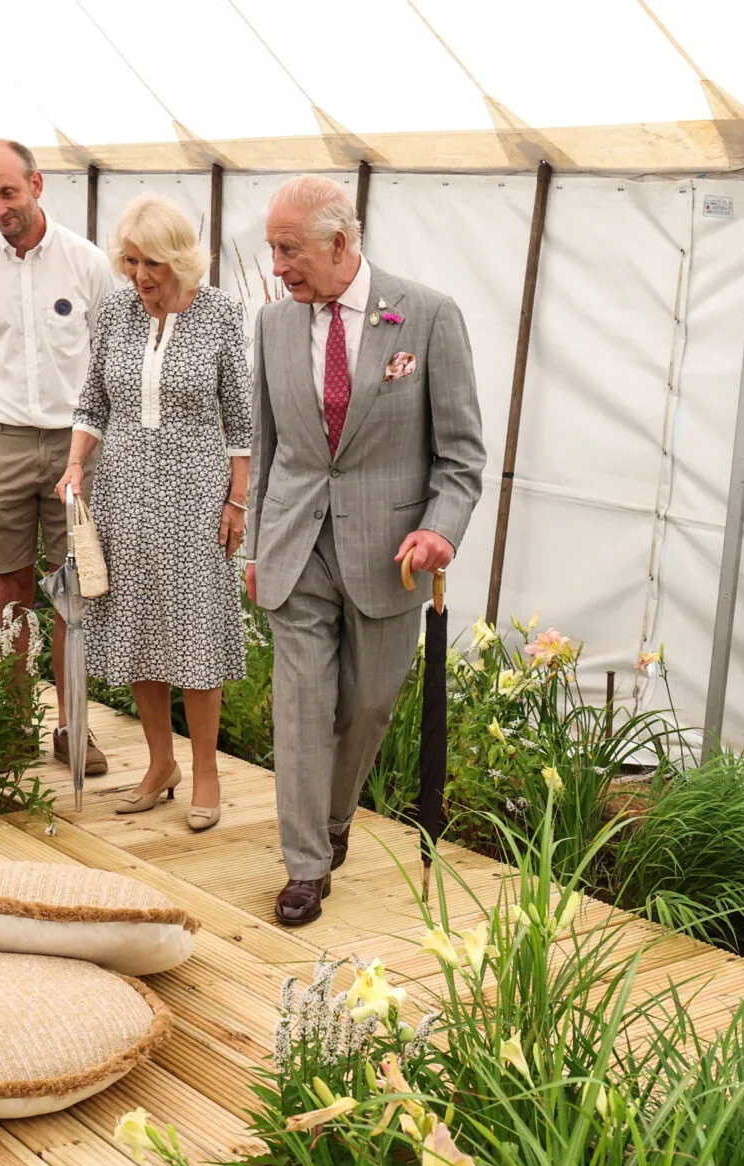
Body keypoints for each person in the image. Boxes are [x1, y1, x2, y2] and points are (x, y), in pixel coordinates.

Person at [245, 176, 485, 927]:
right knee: (302, 702)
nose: (278, 266)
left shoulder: (429, 317)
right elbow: (269, 443)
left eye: (289, 250)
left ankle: (335, 815)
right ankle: (306, 864)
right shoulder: (273, 326)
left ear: (340, 244)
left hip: (390, 555)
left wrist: (441, 528)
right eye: (272, 249)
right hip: (296, 542)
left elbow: (461, 454)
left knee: (371, 703)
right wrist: (255, 545)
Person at [58, 195, 253, 833]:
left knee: (193, 629)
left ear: (181, 260)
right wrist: (77, 465)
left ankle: (205, 774)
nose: (140, 276)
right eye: (132, 261)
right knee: (139, 627)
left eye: (153, 264)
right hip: (124, 490)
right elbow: (93, 401)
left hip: (197, 493)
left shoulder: (222, 314)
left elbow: (241, 420)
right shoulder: (114, 312)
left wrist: (236, 499)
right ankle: (159, 763)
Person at [0, 138, 121, 776]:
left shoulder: (88, 264)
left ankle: (74, 729)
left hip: (76, 447)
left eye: (8, 192)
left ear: (38, 184)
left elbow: (107, 364)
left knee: (73, 591)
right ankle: (11, 720)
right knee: (9, 587)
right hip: (0, 444)